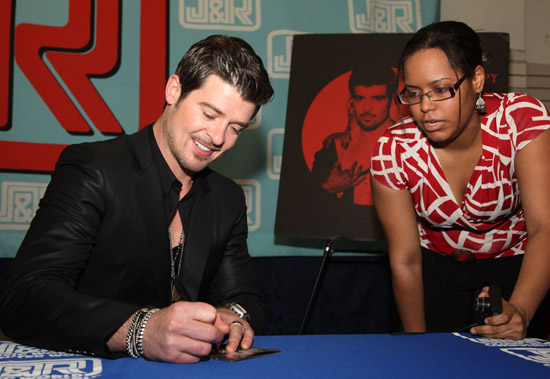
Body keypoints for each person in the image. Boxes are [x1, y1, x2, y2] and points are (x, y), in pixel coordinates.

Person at [0, 35, 274, 362]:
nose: (218, 138)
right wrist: (141, 331)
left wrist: (230, 316)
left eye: (235, 128)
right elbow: (24, 299)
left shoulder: (226, 198)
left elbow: (245, 301)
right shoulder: (95, 169)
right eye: (210, 114)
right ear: (174, 90)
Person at [371, 20, 550, 340]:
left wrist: (521, 309)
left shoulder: (520, 120)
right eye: (414, 93)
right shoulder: (393, 150)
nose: (425, 107)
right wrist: (417, 343)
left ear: (477, 80)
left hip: (518, 269)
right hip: (434, 272)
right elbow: (406, 260)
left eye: (441, 89)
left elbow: (544, 228)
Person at [311, 66, 396, 206]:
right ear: (351, 101)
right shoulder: (334, 147)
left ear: (391, 100)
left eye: (377, 99)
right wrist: (328, 187)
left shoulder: (408, 146)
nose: (367, 108)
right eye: (360, 98)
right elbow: (304, 205)